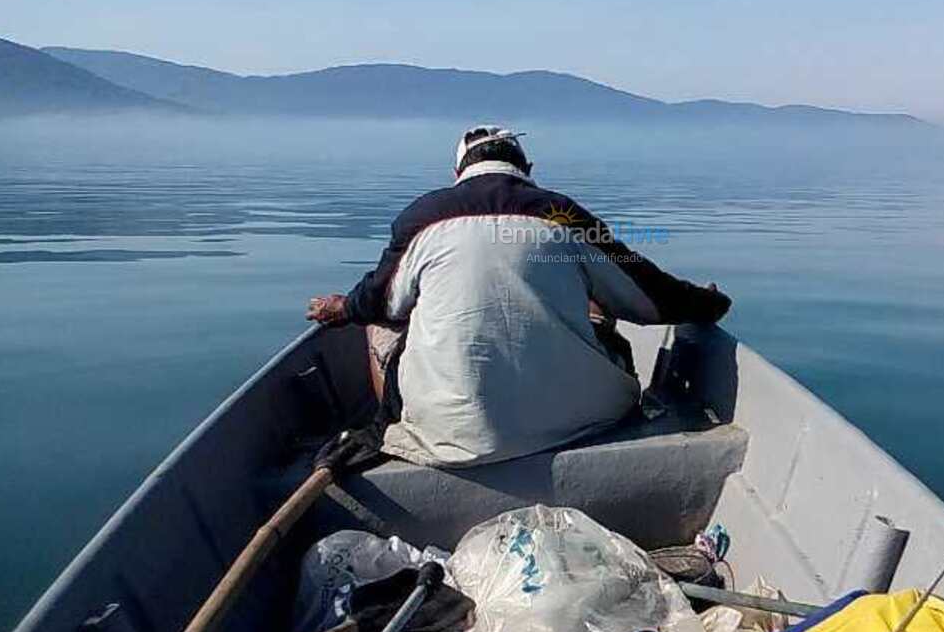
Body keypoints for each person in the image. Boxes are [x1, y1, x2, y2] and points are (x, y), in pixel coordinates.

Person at [306, 126, 730, 467]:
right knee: (599, 297)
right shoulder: (562, 213)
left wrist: (342, 308)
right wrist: (707, 304)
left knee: (381, 318)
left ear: (457, 174)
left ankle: (392, 423)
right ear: (527, 168)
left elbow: (374, 302)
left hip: (451, 434)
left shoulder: (422, 218)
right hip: (582, 419)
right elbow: (652, 295)